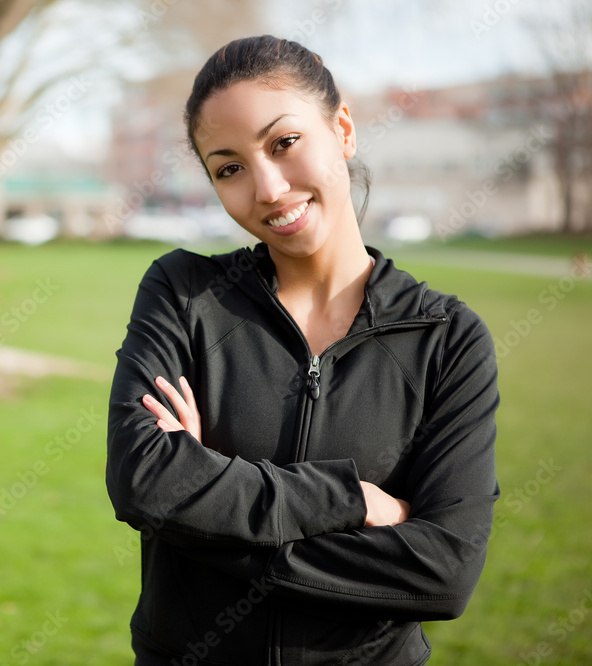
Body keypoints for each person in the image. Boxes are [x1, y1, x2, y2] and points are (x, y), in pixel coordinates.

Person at [105, 35, 499, 665]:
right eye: (229, 167)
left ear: (341, 127)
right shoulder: (184, 294)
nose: (267, 187)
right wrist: (351, 500)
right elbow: (143, 482)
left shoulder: (446, 339)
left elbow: (443, 573)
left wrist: (203, 507)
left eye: (284, 143)